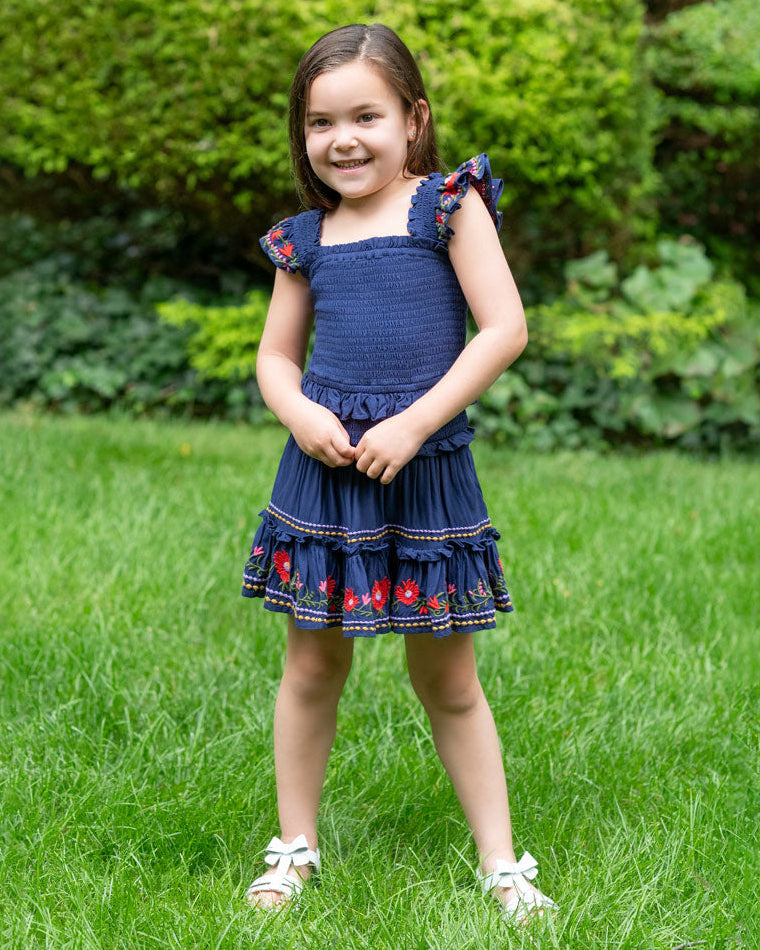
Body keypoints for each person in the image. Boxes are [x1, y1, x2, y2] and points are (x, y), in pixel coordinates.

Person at [241, 23, 556, 925]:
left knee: (448, 677)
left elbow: (503, 328)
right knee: (312, 665)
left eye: (366, 115)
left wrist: (417, 424)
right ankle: (294, 845)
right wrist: (301, 414)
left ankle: (500, 863)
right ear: (302, 135)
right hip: (327, 475)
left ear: (413, 119)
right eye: (320, 121)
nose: (343, 138)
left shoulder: (449, 209)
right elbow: (274, 358)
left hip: (425, 472)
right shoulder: (306, 238)